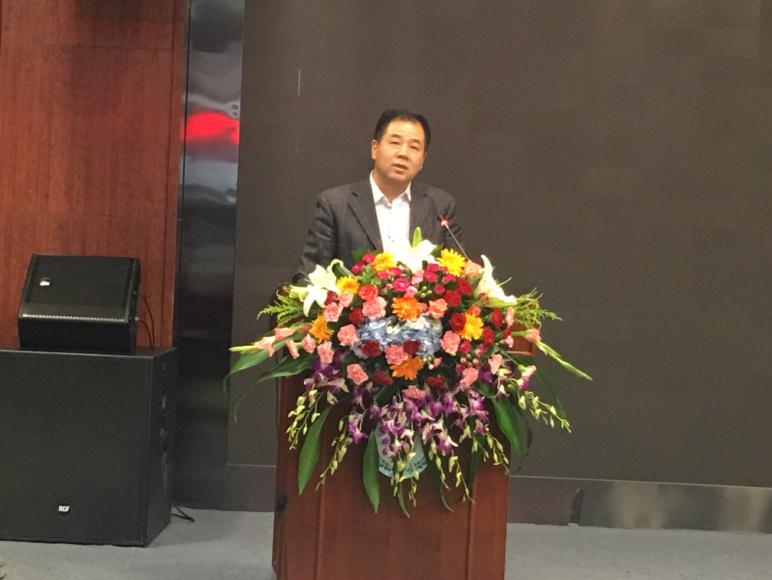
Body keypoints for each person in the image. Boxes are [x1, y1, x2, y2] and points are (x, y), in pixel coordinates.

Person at [294, 109, 462, 282]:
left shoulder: (440, 205)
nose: (403, 153)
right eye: (395, 142)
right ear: (375, 148)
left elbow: (457, 273)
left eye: (414, 147)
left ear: (422, 160)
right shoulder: (335, 204)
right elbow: (308, 276)